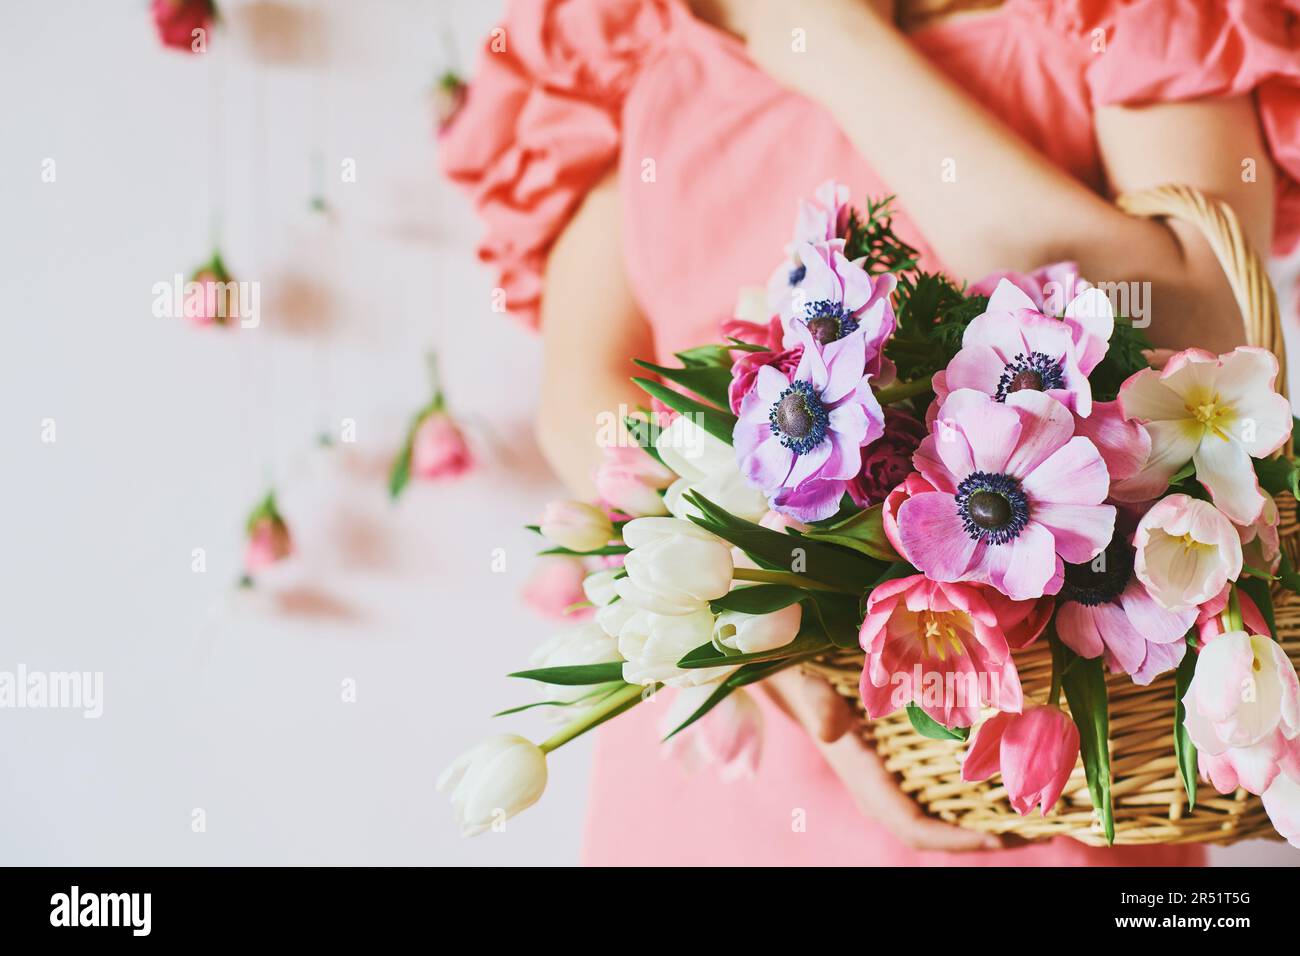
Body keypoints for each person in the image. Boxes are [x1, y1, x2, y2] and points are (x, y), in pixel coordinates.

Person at [440, 0, 1300, 864]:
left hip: (1020, 760)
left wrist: (833, 42)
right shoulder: (626, 33)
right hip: (731, 752)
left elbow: (1194, 322)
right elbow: (583, 400)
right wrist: (772, 638)